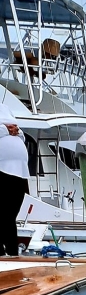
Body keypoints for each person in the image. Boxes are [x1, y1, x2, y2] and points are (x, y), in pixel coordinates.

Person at [0, 104, 29, 256]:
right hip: (2, 168)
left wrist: (14, 130)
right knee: (3, 215)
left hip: (18, 171)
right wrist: (6, 130)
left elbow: (20, 134)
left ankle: (11, 254)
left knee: (9, 215)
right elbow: (8, 130)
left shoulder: (5, 108)